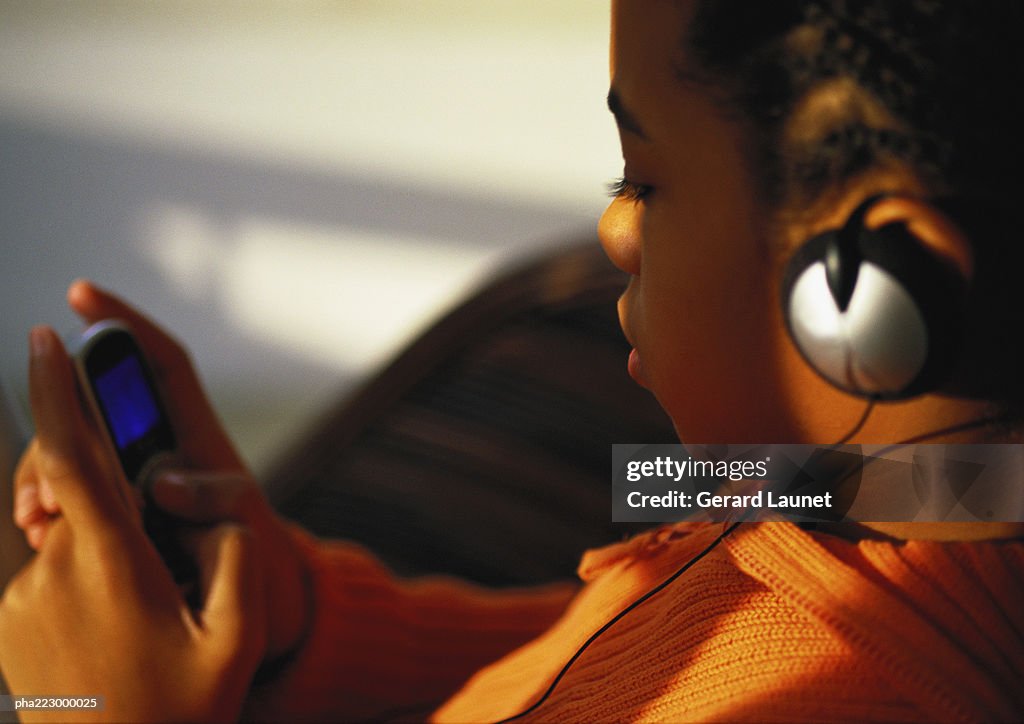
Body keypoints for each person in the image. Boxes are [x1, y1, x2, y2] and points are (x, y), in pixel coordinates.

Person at [3, 0, 1023, 720]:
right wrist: (297, 626)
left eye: (643, 178)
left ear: (879, 282)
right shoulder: (891, 487)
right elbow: (597, 645)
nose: (610, 232)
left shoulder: (834, 690)